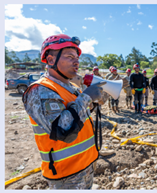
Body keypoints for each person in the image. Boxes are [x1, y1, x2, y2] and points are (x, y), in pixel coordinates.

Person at [23, 34, 104, 189]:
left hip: (85, 165)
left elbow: (80, 117)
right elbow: (63, 129)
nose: (77, 61)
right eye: (69, 56)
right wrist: (86, 97)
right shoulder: (39, 90)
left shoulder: (72, 88)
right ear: (51, 60)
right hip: (66, 175)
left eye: (77, 57)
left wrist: (97, 98)